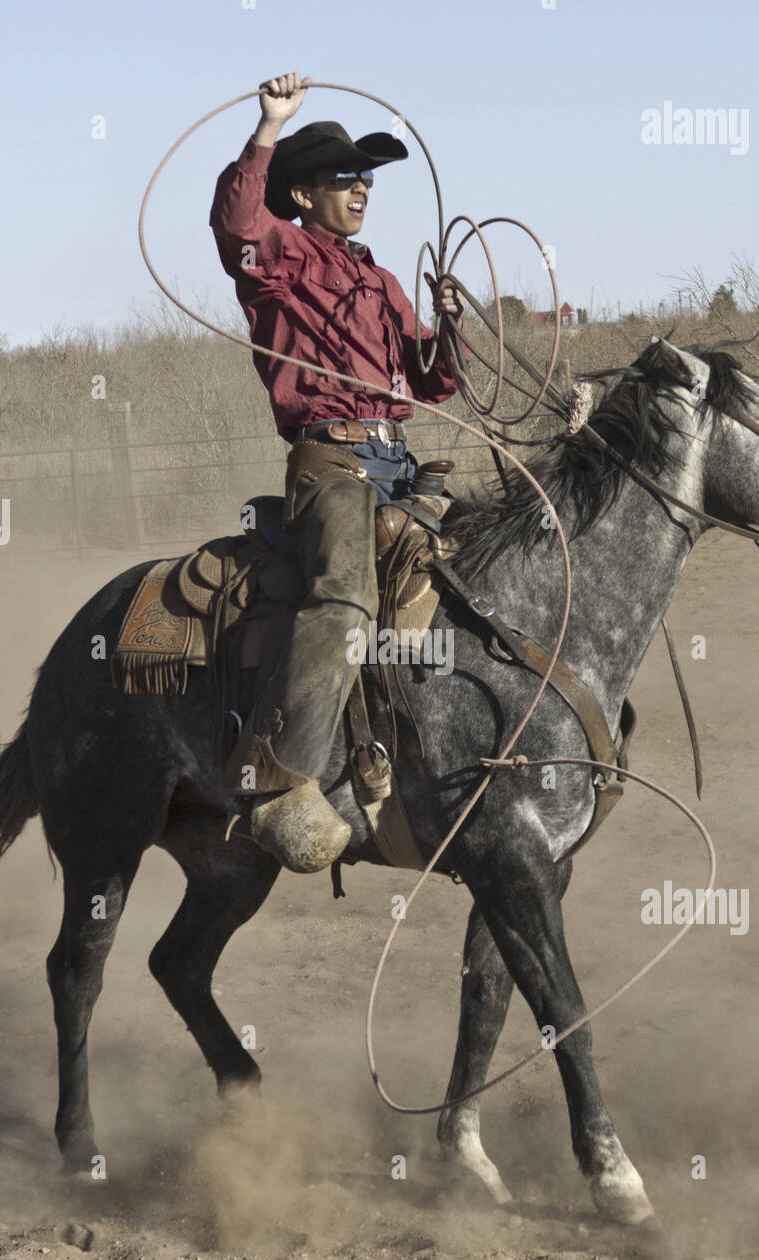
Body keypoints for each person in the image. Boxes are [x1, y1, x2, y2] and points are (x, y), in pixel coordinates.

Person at [209, 71, 464, 874]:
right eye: (345, 179)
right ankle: (279, 781)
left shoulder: (381, 280)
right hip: (331, 461)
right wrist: (269, 126)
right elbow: (236, 223)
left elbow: (431, 382)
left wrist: (446, 328)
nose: (361, 191)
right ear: (304, 194)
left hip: (397, 457)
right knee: (345, 595)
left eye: (366, 180)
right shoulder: (281, 256)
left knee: (489, 560)